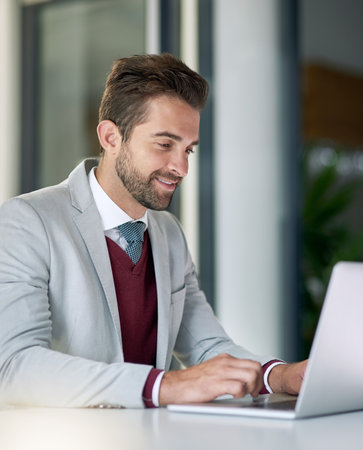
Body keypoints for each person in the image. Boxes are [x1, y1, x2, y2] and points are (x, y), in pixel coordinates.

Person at [0, 53, 306, 408]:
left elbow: (206, 347)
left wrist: (279, 376)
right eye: (165, 144)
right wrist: (164, 386)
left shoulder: (168, 233)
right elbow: (14, 365)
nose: (181, 167)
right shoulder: (27, 221)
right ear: (111, 137)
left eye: (188, 149)